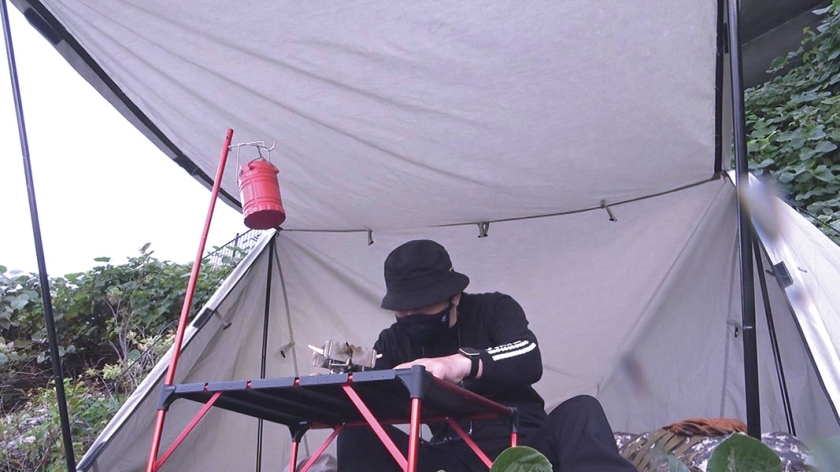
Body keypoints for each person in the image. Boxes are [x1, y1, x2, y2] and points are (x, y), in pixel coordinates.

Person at [336, 239, 635, 472]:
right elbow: (372, 391)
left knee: (582, 409)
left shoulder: (493, 309)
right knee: (355, 434)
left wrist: (458, 364)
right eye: (403, 310)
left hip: (526, 448)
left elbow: (527, 355)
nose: (412, 316)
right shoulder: (394, 340)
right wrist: (336, 385)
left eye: (423, 306)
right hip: (451, 455)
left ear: (454, 295)